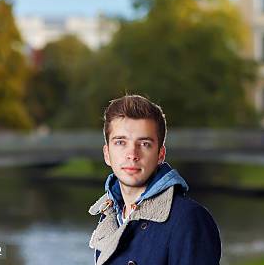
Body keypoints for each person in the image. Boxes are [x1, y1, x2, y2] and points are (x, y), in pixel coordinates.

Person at [88, 94, 221, 265]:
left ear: (160, 154)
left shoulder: (188, 219)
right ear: (107, 154)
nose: (132, 155)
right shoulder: (110, 217)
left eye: (144, 144)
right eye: (121, 142)